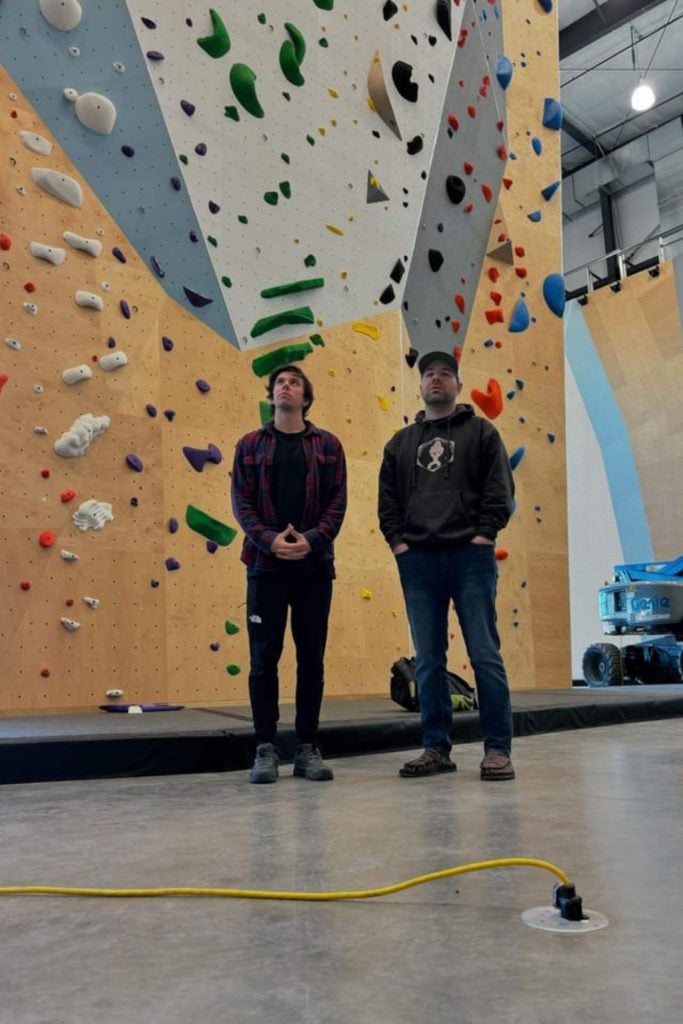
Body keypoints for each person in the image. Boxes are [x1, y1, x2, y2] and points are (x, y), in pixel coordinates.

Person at [378, 351, 515, 780]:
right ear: (420, 386)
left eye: (445, 374)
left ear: (457, 384)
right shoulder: (400, 444)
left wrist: (484, 535)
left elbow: (500, 491)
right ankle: (436, 748)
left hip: (469, 557)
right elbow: (388, 502)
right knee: (428, 660)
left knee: (484, 654)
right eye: (429, 375)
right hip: (417, 560)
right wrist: (400, 545)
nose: (436, 380)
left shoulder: (482, 432)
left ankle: (497, 750)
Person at [231, 364, 347, 784]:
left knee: (311, 659)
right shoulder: (248, 445)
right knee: (263, 660)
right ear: (271, 395)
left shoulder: (329, 446)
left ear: (305, 397)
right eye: (279, 382)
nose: (285, 386)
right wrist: (268, 540)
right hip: (264, 568)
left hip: (314, 569)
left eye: (294, 382)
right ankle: (265, 747)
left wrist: (313, 540)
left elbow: (338, 503)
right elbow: (241, 503)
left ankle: (306, 749)